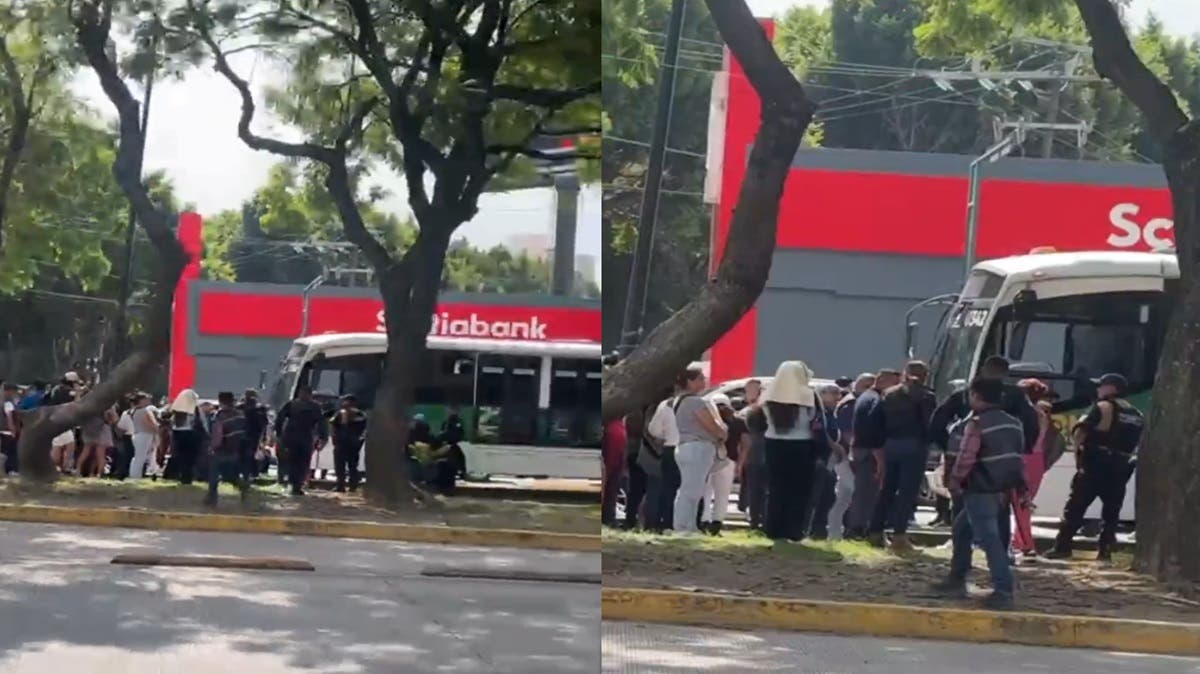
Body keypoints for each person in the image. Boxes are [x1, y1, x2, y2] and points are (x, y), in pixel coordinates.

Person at [934, 377, 1028, 610]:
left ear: (975, 396)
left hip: (979, 487)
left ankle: (1003, 590)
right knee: (961, 528)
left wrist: (954, 482)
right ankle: (957, 577)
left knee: (989, 539)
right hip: (1002, 487)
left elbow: (966, 458)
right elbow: (1017, 457)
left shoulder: (976, 423)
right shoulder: (1014, 423)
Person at [1047, 373, 1142, 561]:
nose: (1098, 389)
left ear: (1112, 388)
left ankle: (1062, 547)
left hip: (1096, 464)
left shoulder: (1103, 407)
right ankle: (1105, 551)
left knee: (1075, 507)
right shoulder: (1136, 413)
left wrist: (1079, 459)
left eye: (1101, 385)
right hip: (1120, 466)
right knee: (1112, 512)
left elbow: (1081, 432)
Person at [869, 360, 937, 552]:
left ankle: (875, 531)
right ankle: (899, 535)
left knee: (887, 490)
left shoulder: (888, 394)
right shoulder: (926, 396)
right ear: (925, 375)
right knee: (907, 492)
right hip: (914, 445)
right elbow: (928, 424)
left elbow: (877, 421)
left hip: (891, 444)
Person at [754, 361, 822, 542]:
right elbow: (817, 421)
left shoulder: (769, 395)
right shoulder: (809, 395)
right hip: (801, 444)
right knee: (799, 491)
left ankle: (773, 529)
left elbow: (757, 418)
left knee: (776, 488)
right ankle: (794, 530)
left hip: (774, 444)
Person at [846, 368, 900, 539]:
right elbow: (871, 429)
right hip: (869, 451)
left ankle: (859, 528)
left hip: (862, 449)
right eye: (895, 383)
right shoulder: (875, 399)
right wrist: (879, 457)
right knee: (867, 493)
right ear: (883, 380)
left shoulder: (866, 397)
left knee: (865, 491)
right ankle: (857, 529)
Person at [672, 368, 725, 534]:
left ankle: (688, 525)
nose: (704, 382)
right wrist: (722, 433)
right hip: (697, 447)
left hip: (685, 446)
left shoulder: (679, 401)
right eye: (700, 379)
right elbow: (711, 425)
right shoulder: (695, 402)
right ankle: (683, 526)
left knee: (691, 489)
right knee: (691, 490)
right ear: (690, 381)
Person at [1011, 379, 1055, 558]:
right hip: (1037, 460)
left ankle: (1026, 543)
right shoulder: (1043, 413)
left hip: (1024, 458)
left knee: (1020, 502)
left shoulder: (1027, 413)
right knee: (1024, 503)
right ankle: (1018, 540)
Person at [701, 394, 746, 536]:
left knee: (706, 492)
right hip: (729, 460)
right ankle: (717, 522)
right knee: (722, 494)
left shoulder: (708, 419)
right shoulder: (738, 421)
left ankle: (704, 519)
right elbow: (745, 444)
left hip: (708, 459)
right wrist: (740, 463)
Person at [273, 385, 328, 496]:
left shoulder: (309, 406)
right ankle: (295, 484)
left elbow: (322, 423)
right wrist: (278, 434)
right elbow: (280, 419)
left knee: (301, 462)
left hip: (300, 436)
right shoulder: (297, 405)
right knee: (296, 461)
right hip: (295, 437)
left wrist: (323, 437)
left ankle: (296, 484)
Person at [640, 387, 678, 532]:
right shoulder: (660, 407)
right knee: (660, 489)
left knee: (657, 489)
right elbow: (651, 431)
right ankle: (657, 522)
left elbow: (652, 430)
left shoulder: (657, 407)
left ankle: (653, 523)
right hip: (658, 453)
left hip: (659, 452)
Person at [204, 392, 250, 506]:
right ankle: (243, 486)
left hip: (222, 449)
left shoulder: (220, 416)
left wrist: (212, 447)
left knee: (214, 472)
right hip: (235, 449)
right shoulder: (240, 415)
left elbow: (218, 435)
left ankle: (211, 497)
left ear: (220, 401)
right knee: (230, 475)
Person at [329, 395, 368, 492]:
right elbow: (333, 425)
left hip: (352, 444)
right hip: (341, 443)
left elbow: (363, 430)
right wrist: (334, 438)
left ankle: (352, 485)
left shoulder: (360, 415)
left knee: (352, 466)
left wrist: (359, 442)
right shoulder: (340, 413)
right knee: (340, 466)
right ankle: (340, 485)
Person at [47, 372, 82, 473]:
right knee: (64, 446)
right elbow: (77, 404)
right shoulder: (66, 391)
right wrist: (78, 392)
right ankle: (60, 468)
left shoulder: (56, 389)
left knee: (64, 444)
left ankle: (59, 468)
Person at [238, 390, 270, 479]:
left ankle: (246, 474)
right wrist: (264, 437)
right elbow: (264, 424)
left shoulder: (240, 409)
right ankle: (250, 474)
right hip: (253, 436)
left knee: (244, 455)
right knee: (250, 455)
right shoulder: (260, 410)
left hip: (244, 435)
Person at [78, 407, 117, 477]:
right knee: (100, 455)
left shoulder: (92, 405)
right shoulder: (108, 406)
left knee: (88, 452)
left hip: (90, 429)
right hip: (103, 429)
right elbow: (112, 419)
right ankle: (98, 473)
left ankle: (81, 470)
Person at [128, 393, 159, 480]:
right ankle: (136, 476)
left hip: (138, 434)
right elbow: (149, 424)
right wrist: (156, 429)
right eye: (146, 399)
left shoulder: (133, 411)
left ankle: (149, 472)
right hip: (144, 434)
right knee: (140, 457)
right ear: (141, 401)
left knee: (142, 456)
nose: (148, 401)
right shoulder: (144, 411)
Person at [0, 382, 18, 475]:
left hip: (1, 429)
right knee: (11, 451)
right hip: (7, 430)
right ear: (9, 391)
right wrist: (13, 430)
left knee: (3, 450)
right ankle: (10, 470)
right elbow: (9, 417)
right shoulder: (8, 403)